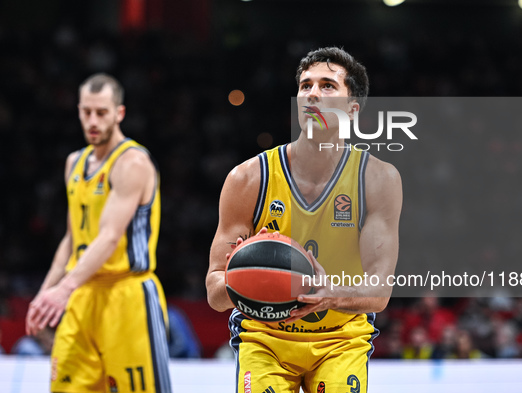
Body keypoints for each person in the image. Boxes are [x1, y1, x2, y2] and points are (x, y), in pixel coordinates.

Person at [207, 47, 402, 392]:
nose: (312, 93)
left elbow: (380, 291)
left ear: (352, 110)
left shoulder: (377, 180)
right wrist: (243, 281)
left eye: (328, 86)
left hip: (340, 338)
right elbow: (214, 291)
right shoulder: (247, 179)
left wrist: (330, 294)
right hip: (265, 337)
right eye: (305, 85)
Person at [25, 73, 172, 393]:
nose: (93, 121)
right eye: (86, 112)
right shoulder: (73, 163)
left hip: (127, 295)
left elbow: (109, 237)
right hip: (82, 293)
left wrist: (63, 290)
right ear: (78, 110)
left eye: (101, 112)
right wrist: (45, 291)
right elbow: (72, 237)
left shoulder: (132, 162)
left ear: (119, 113)